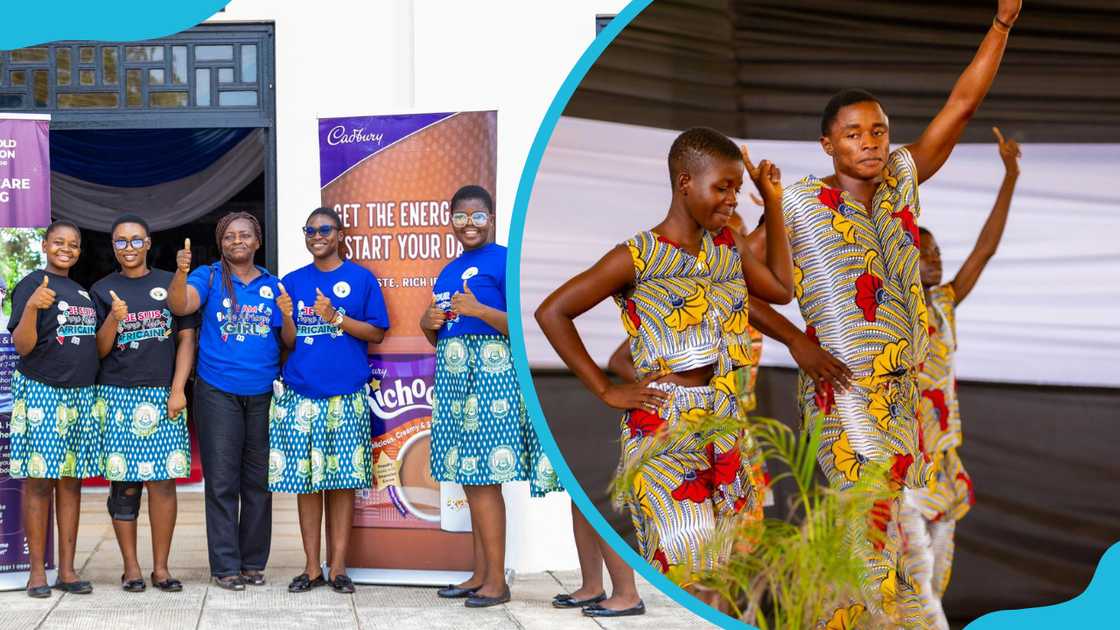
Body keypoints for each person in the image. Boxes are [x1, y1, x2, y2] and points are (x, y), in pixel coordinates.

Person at [758, 2, 1021, 626]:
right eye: (854, 133)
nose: (870, 143)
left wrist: (1001, 24)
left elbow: (960, 105)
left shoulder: (902, 179)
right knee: (871, 542)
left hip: (903, 399)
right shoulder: (796, 200)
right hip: (844, 389)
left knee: (883, 548)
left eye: (878, 130)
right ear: (828, 144)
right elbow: (742, 282)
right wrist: (797, 341)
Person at [535, 127, 794, 587]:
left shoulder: (726, 249)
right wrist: (606, 389)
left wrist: (771, 201)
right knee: (683, 570)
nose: (732, 199)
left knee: (720, 573)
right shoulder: (637, 256)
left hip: (725, 418)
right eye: (722, 187)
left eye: (736, 189)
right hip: (666, 426)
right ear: (684, 183)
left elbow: (780, 289)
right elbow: (552, 311)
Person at [423, 185, 561, 608]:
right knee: (469, 477)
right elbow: (440, 331)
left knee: (484, 480)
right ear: (451, 221)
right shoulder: (449, 269)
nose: (468, 224)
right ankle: (479, 574)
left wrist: (480, 310)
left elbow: (526, 327)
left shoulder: (505, 260)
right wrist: (427, 322)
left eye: (477, 216)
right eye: (460, 217)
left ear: (492, 218)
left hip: (492, 377)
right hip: (454, 376)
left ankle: (496, 583)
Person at [910, 128, 1020, 610]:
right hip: (905, 465)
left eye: (936, 252)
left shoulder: (944, 305)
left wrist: (1010, 177)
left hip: (945, 461)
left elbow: (985, 250)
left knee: (935, 586)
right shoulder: (885, 314)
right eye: (922, 252)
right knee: (916, 587)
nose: (934, 259)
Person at [271, 208, 389, 594]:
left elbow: (376, 333)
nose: (317, 235)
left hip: (346, 396)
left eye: (324, 229)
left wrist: (334, 316)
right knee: (307, 486)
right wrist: (288, 317)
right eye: (310, 230)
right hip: (302, 395)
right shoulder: (292, 281)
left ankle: (338, 567)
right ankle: (311, 568)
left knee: (341, 485)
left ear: (340, 233)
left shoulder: (360, 278)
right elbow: (288, 341)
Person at [167, 212, 283, 591]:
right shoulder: (210, 276)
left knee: (258, 482)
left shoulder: (271, 283)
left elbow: (289, 337)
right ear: (221, 243)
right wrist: (181, 272)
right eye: (230, 236)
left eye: (245, 235)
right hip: (217, 391)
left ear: (257, 240)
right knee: (220, 482)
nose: (237, 241)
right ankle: (225, 566)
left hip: (263, 393)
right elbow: (181, 305)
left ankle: (252, 562)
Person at [91, 214, 199, 593]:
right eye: (121, 241)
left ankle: (162, 569)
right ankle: (132, 568)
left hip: (162, 393)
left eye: (136, 240)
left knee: (163, 483)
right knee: (125, 485)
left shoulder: (170, 284)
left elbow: (186, 340)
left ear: (149, 243)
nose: (129, 248)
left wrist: (178, 389)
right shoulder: (101, 290)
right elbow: (99, 351)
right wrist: (114, 322)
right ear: (113, 247)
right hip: (117, 395)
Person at [7, 220, 100, 598]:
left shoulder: (82, 292)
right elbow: (23, 345)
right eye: (59, 242)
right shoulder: (32, 283)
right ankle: (36, 574)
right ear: (45, 246)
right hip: (43, 393)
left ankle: (67, 570)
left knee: (70, 481)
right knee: (40, 481)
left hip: (79, 396)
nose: (66, 249)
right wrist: (31, 307)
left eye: (73, 244)